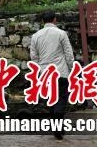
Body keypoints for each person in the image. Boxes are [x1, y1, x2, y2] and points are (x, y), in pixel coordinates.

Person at [30, 10, 74, 141]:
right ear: (55, 20)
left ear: (43, 21)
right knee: (61, 100)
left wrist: (39, 72)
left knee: (51, 101)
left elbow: (34, 57)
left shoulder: (35, 36)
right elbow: (68, 54)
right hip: (60, 72)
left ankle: (56, 128)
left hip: (45, 74)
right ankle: (58, 129)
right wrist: (72, 69)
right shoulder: (61, 34)